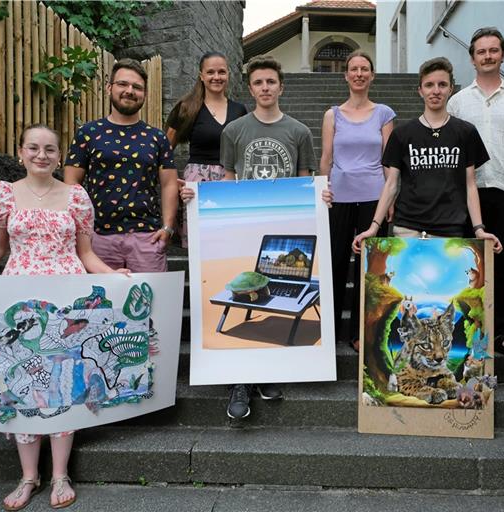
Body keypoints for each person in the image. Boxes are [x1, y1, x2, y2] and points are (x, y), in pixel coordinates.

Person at [0, 124, 129, 510]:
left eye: (50, 149)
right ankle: (29, 476)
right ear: (21, 152)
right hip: (19, 303)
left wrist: (114, 277)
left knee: (62, 382)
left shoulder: (76, 197)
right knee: (22, 381)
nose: (42, 155)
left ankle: (60, 473)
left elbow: (87, 254)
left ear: (60, 156)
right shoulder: (5, 195)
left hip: (65, 303)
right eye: (34, 148)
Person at [182, 55, 320, 422]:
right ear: (251, 88)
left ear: (281, 86)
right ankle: (238, 381)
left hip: (284, 224)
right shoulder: (235, 131)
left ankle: (269, 371)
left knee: (274, 296)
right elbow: (227, 180)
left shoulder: (299, 132)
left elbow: (305, 179)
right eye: (258, 83)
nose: (265, 88)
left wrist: (319, 201)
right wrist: (201, 201)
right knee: (247, 297)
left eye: (271, 82)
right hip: (245, 225)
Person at [447, 27, 504, 356]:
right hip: (466, 191)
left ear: (502, 54)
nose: (487, 55)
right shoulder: (457, 101)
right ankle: (467, 330)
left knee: (502, 266)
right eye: (481, 51)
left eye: (493, 50)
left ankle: (501, 331)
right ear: (472, 58)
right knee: (466, 263)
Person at [352, 57, 502, 254]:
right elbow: (391, 184)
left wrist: (479, 229)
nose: (436, 90)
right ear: (420, 90)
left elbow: (470, 184)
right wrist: (373, 227)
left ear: (451, 89)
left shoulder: (465, 132)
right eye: (429, 85)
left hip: (449, 230)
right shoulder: (402, 134)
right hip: (407, 229)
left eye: (442, 84)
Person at [64, 58, 180, 272]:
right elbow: (71, 184)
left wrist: (168, 227)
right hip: (98, 238)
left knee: (153, 303)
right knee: (101, 303)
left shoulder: (157, 138)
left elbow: (169, 184)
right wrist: (80, 232)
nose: (130, 91)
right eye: (123, 84)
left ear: (144, 94)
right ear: (109, 88)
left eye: (137, 87)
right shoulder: (88, 133)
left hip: (148, 237)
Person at [319, 50, 395, 352]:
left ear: (372, 75)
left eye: (365, 68)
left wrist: (391, 199)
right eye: (354, 69)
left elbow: (389, 161)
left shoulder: (384, 114)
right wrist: (320, 192)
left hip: (374, 196)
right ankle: (331, 327)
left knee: (370, 268)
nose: (359, 73)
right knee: (335, 264)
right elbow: (326, 158)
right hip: (338, 197)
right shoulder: (332, 114)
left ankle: (361, 331)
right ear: (346, 75)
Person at [165, 51, 248, 247]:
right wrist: (172, 182)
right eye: (210, 72)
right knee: (200, 245)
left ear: (228, 74)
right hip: (197, 184)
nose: (216, 77)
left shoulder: (240, 110)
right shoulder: (187, 108)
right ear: (201, 75)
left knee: (229, 241)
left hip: (230, 180)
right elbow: (165, 150)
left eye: (222, 72)